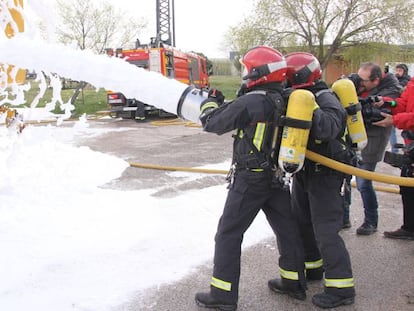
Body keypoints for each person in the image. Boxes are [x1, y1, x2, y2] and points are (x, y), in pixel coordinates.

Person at [194, 46, 306, 311]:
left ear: (259, 73)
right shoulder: (285, 97)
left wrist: (210, 100)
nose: (244, 73)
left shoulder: (253, 101)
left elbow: (212, 122)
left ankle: (222, 296)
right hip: (275, 178)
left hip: (250, 179)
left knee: (228, 234)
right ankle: (294, 282)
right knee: (287, 229)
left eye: (246, 69)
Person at [270, 52, 355, 308]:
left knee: (326, 230)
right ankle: (313, 268)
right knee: (302, 223)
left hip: (327, 174)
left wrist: (308, 106)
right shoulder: (296, 95)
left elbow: (328, 128)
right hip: (306, 170)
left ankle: (342, 288)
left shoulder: (325, 96)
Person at [354, 62, 401, 235]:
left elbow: (376, 111)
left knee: (363, 182)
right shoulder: (361, 86)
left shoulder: (392, 90)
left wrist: (357, 102)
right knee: (344, 179)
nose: (360, 83)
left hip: (373, 139)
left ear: (376, 80)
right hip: (355, 136)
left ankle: (371, 221)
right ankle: (343, 218)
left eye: (363, 80)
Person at [372, 75, 414, 240]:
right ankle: (409, 227)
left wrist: (395, 120)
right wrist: (388, 102)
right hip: (410, 141)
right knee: (407, 186)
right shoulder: (412, 84)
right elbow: (403, 104)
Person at [389, 63, 411, 153]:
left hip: (405, 114)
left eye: (400, 71)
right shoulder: (393, 80)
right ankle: (395, 148)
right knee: (392, 131)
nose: (397, 72)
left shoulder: (407, 83)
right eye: (396, 70)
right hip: (396, 108)